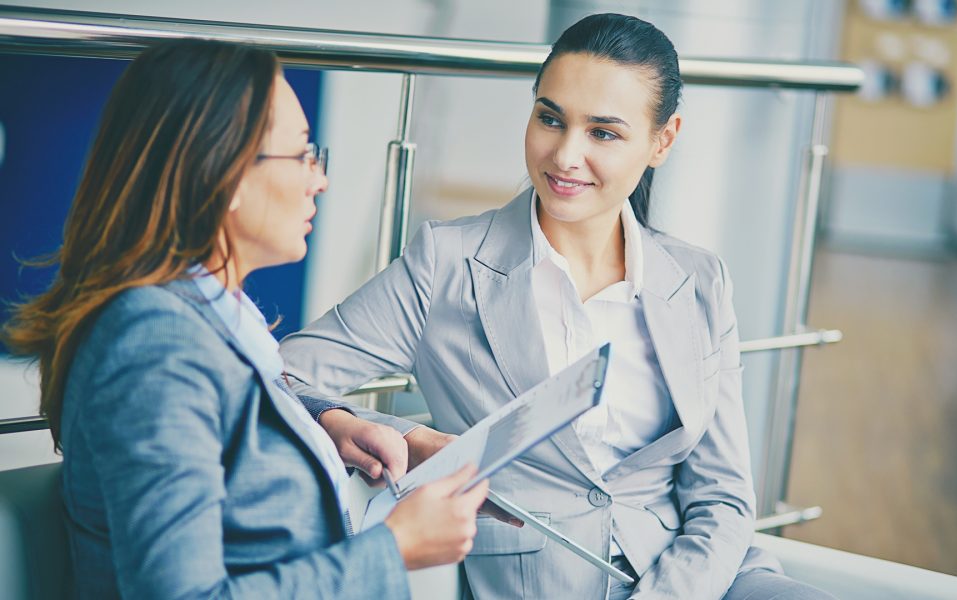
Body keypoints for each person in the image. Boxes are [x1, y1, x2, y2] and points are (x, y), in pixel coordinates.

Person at [281, 13, 837, 600]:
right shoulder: (447, 264)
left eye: (604, 133)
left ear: (663, 140)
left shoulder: (699, 279)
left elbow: (722, 496)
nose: (566, 155)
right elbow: (278, 375)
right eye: (550, 118)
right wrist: (391, 432)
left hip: (702, 578)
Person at [1, 39, 489, 599]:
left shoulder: (201, 314)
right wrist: (395, 548)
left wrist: (327, 421)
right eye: (302, 154)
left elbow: (229, 405)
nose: (320, 179)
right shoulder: (154, 345)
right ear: (225, 174)